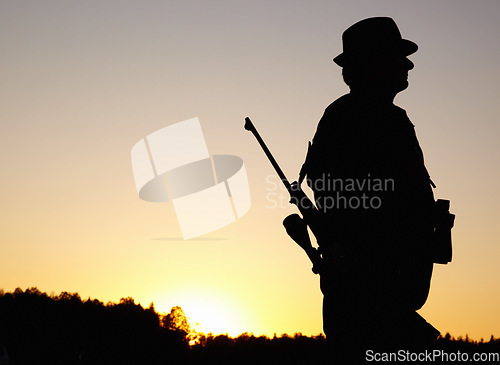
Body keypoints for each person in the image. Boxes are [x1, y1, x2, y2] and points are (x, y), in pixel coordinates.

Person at [302, 17, 440, 363]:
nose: (407, 64)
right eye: (395, 56)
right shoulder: (356, 119)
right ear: (368, 65)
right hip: (370, 296)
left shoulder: (379, 117)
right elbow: (352, 208)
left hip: (382, 292)